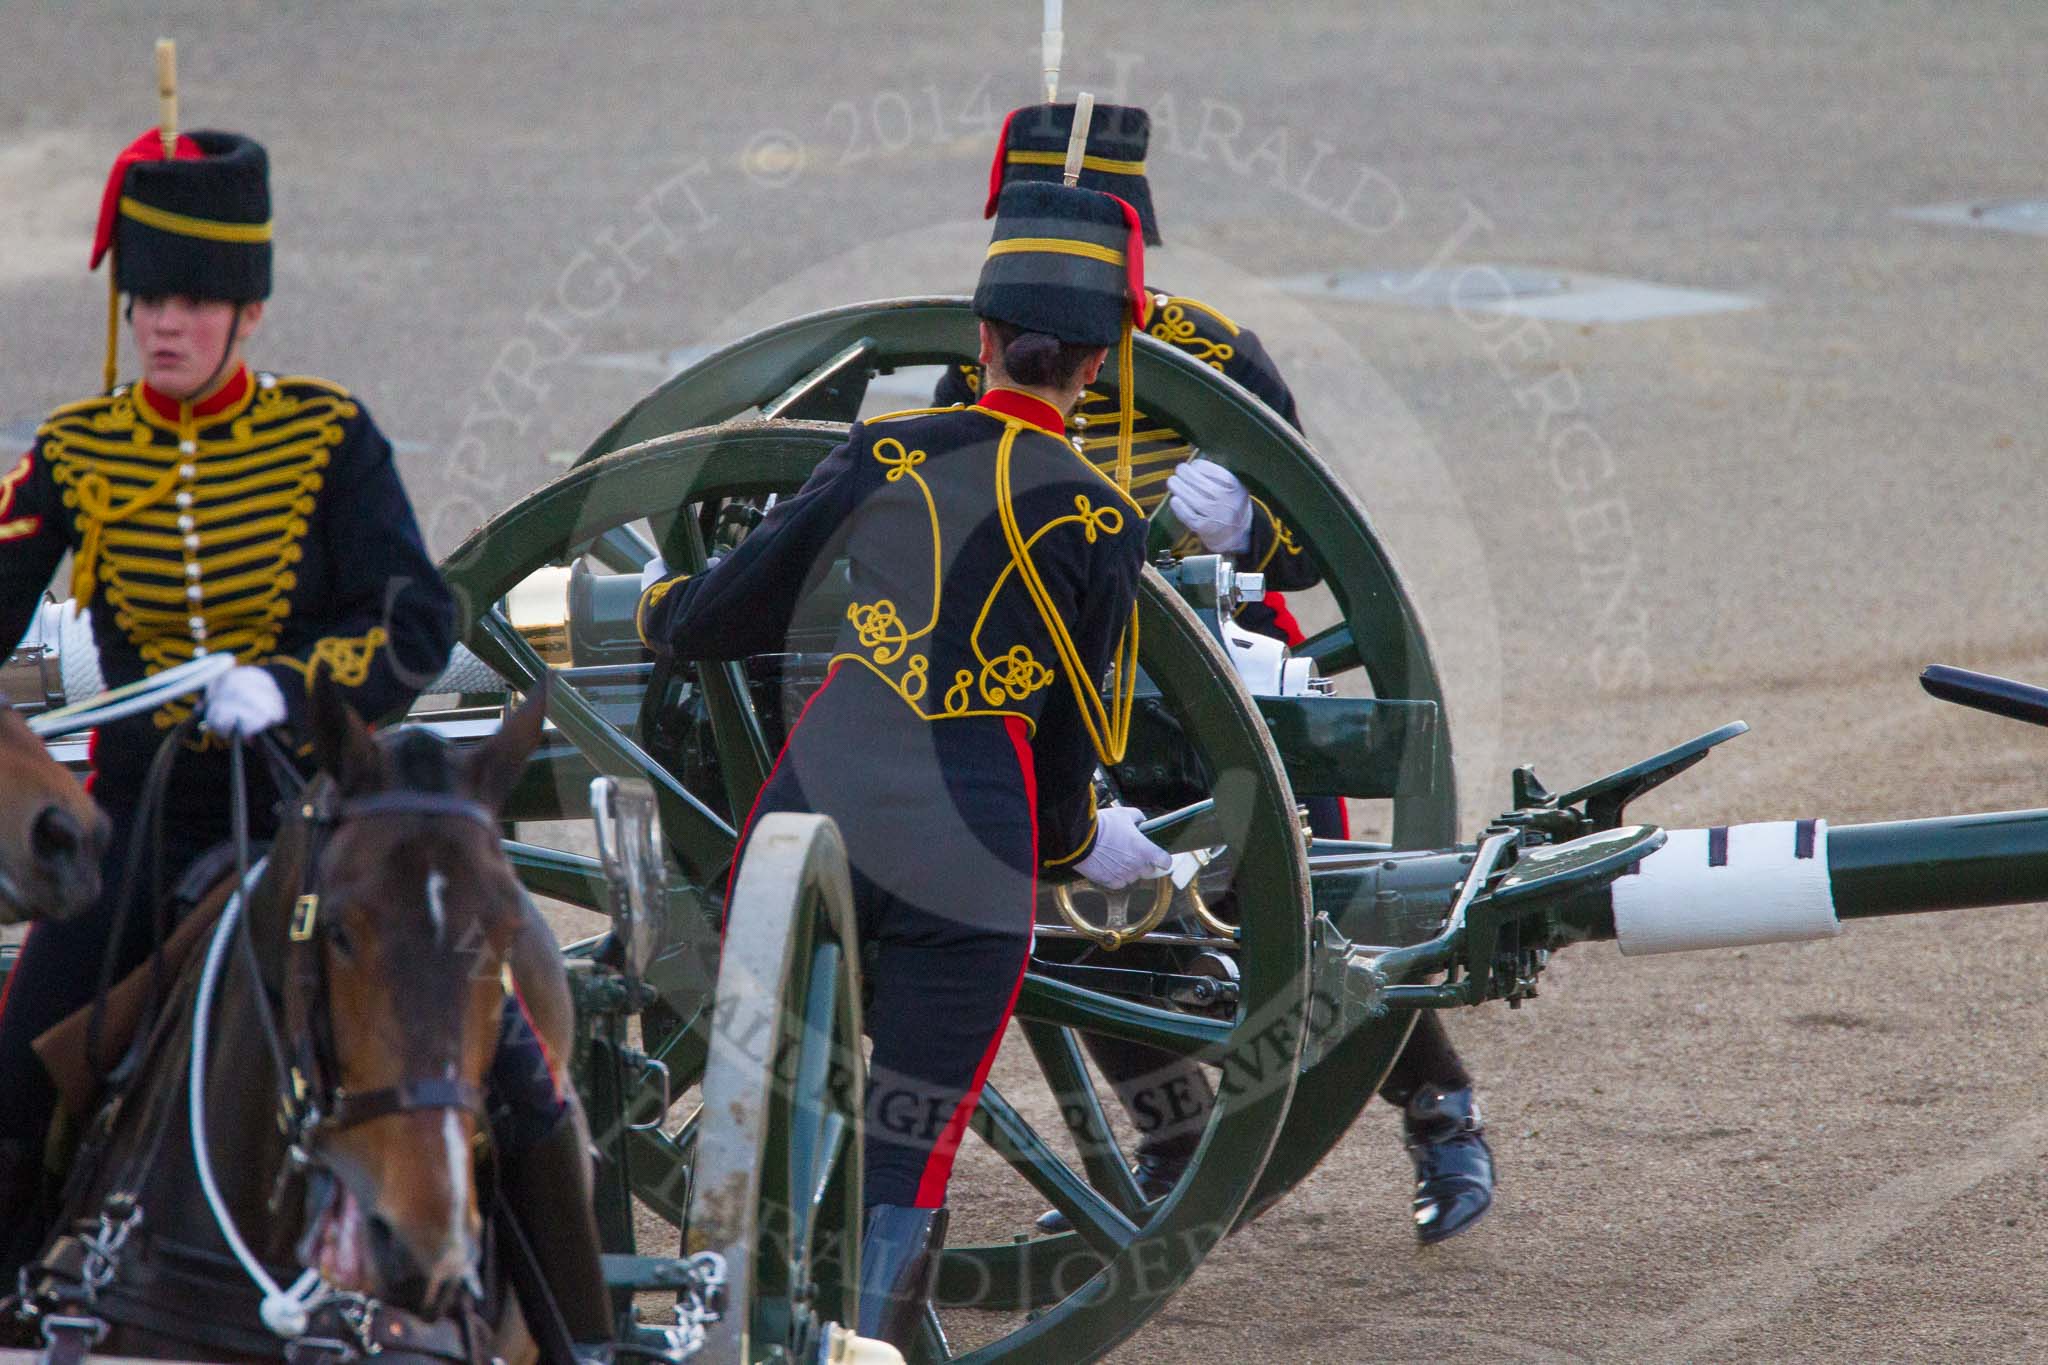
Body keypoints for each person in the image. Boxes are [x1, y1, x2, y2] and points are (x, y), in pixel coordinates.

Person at [0, 127, 614, 1353]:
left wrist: (285, 685)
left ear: (248, 313)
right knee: (16, 1075)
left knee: (506, 1079)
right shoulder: (75, 454)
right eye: (147, 300)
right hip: (140, 822)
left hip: (314, 809)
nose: (164, 325)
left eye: (191, 301)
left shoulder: (329, 439)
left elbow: (415, 619)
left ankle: (581, 1334)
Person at [940, 101, 1495, 1246]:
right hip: (1068, 692)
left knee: (1299, 923)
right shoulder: (964, 376)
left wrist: (1249, 527)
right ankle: (1175, 1141)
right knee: (1083, 915)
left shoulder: (1214, 351)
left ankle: (1436, 1104)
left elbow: (1320, 535)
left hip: (1221, 679)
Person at [639, 177, 1166, 1344]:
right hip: (973, 849)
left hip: (817, 803)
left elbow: (733, 612)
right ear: (1096, 364)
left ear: (980, 341)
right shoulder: (1101, 518)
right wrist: (1078, 844)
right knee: (905, 1162)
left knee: (758, 1103)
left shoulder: (886, 452)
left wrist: (657, 613)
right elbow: (1073, 740)